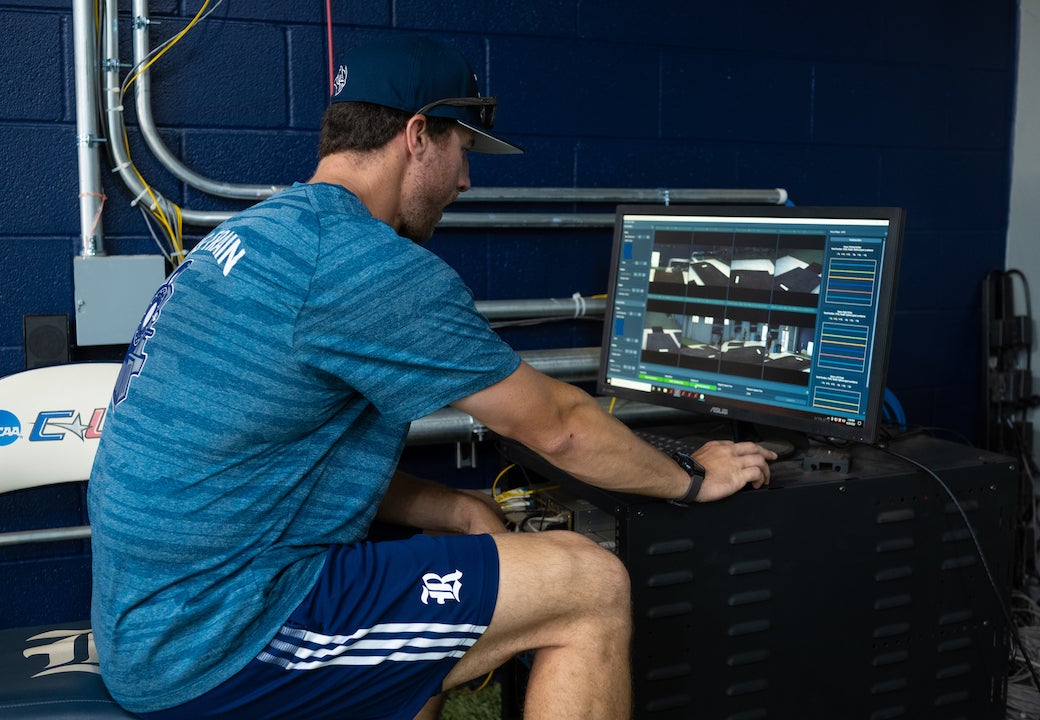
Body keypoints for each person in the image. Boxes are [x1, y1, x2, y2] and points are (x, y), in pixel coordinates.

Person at [87, 35, 774, 720]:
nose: (466, 183)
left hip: (151, 623)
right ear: (418, 136)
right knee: (588, 586)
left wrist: (453, 508)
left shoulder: (255, 234)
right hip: (216, 643)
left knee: (426, 621)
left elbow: (271, 456)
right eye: (463, 153)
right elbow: (559, 428)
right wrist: (691, 475)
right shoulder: (358, 263)